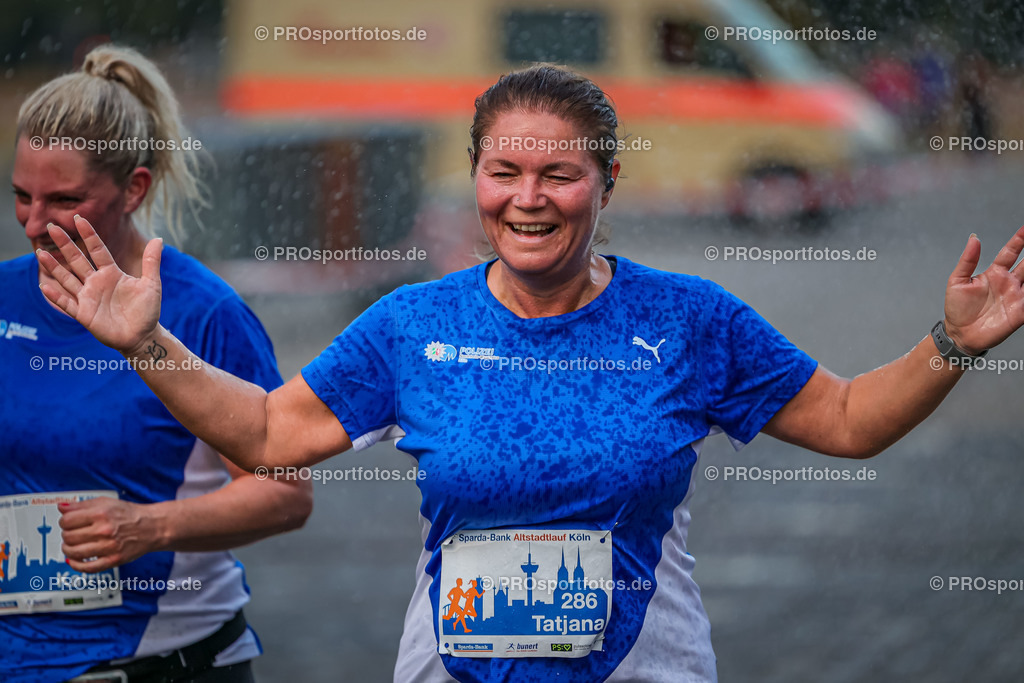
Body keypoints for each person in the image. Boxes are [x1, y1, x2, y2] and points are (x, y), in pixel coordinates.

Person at [34, 64, 1024, 682]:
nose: (527, 198)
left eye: (559, 173)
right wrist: (146, 344)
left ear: (607, 181)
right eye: (503, 172)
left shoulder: (689, 319)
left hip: (646, 664)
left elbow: (849, 417)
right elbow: (266, 436)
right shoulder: (412, 324)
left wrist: (949, 344)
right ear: (473, 177)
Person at [1, 45, 312, 682]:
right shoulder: (4, 295)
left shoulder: (203, 311)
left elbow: (286, 492)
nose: (33, 224)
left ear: (133, 188)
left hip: (166, 666)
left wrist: (149, 526)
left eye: (63, 200)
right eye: (19, 195)